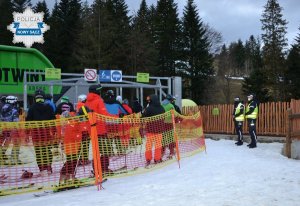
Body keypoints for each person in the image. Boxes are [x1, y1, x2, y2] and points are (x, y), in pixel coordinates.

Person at [26, 89, 56, 176]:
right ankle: (49, 167)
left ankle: (42, 170)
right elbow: (53, 120)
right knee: (47, 150)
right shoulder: (49, 107)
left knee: (39, 151)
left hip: (36, 133)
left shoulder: (32, 108)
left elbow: (28, 122)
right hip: (46, 132)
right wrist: (54, 131)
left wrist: (27, 133)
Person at [85, 84, 113, 175]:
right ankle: (104, 169)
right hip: (100, 129)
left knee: (96, 150)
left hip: (91, 129)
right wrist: (116, 117)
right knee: (105, 150)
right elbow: (104, 114)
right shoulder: (98, 100)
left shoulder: (86, 102)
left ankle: (96, 168)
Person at [142, 94, 165, 166]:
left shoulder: (149, 108)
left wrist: (144, 111)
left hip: (150, 130)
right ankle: (157, 158)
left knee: (149, 146)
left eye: (149, 100)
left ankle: (148, 159)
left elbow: (143, 116)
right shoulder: (162, 108)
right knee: (158, 145)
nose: (148, 101)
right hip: (159, 130)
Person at [0, 96, 20, 165]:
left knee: (6, 142)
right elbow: (16, 122)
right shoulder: (14, 110)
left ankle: (2, 155)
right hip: (13, 129)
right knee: (17, 143)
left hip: (4, 128)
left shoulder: (2, 108)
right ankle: (14, 159)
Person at [161, 94, 176, 158]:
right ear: (170, 100)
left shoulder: (161, 104)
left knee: (163, 137)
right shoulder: (171, 106)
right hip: (169, 123)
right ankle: (171, 152)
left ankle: (162, 151)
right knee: (170, 138)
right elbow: (174, 114)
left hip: (162, 123)